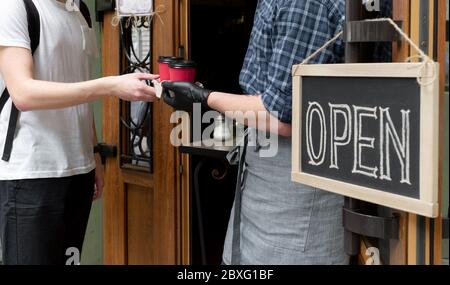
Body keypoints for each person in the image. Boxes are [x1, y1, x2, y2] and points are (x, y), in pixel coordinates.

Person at [162, 0, 348, 264]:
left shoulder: (303, 3)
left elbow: (280, 116)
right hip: (268, 178)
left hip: (296, 187)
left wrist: (203, 98)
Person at [0, 0, 158, 264]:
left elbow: (77, 87)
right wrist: (110, 86)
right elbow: (24, 93)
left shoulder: (80, 10)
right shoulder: (15, 5)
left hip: (78, 170)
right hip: (31, 173)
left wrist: (93, 154)